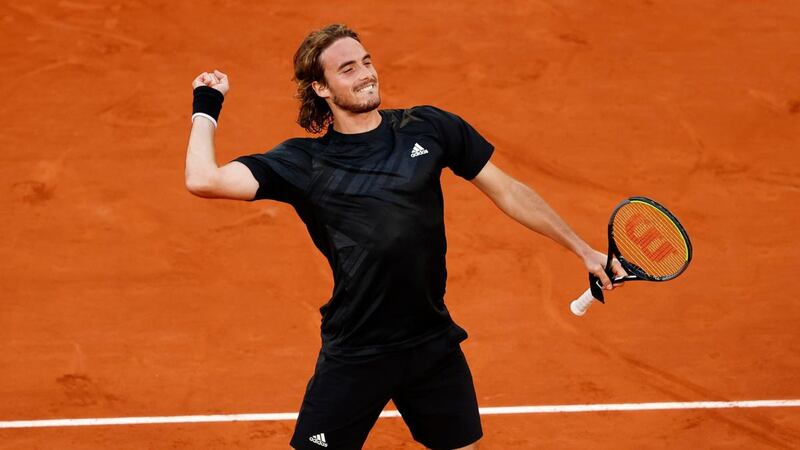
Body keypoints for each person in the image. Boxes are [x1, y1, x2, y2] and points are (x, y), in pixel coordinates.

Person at [185, 23, 625, 450]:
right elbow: (203, 179)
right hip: (358, 348)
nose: (366, 74)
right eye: (348, 69)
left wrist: (583, 249)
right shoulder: (304, 162)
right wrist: (207, 106)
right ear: (321, 88)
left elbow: (508, 190)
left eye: (366, 61)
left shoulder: (428, 128)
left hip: (430, 339)